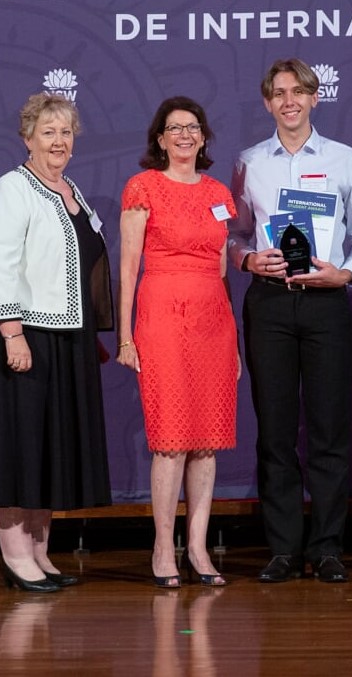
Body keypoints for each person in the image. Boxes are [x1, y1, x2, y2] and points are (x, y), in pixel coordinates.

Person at [228, 58, 352, 584]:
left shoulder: (344, 160)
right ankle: (283, 549)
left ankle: (328, 548)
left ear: (316, 98)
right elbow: (236, 236)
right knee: (273, 431)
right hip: (268, 304)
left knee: (329, 430)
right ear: (267, 102)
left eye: (300, 91)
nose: (289, 101)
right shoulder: (248, 163)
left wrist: (346, 274)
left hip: (326, 304)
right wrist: (247, 260)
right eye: (279, 93)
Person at [0, 92, 114, 592]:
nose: (59, 141)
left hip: (66, 338)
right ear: (27, 138)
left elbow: (81, 268)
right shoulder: (11, 189)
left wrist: (90, 331)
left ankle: (41, 553)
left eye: (66, 132)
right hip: (23, 335)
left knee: (48, 450)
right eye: (48, 132)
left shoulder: (71, 190)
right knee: (16, 449)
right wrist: (11, 333)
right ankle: (16, 557)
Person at [117, 97, 239, 589]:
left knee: (206, 444)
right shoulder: (142, 186)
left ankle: (198, 547)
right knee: (170, 440)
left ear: (204, 136)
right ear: (161, 138)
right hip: (161, 314)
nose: (185, 135)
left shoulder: (219, 192)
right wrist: (125, 335)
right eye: (174, 128)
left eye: (193, 127)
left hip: (214, 319)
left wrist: (234, 343)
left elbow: (224, 270)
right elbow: (128, 268)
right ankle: (163, 547)